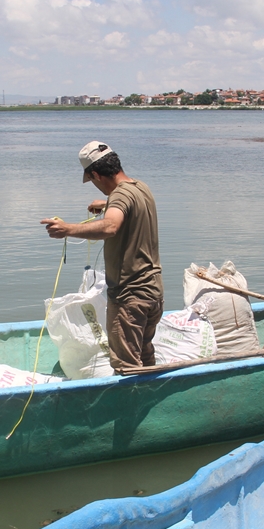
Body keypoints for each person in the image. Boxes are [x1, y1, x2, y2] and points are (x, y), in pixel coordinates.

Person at [42, 141, 163, 370]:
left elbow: (110, 227)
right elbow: (127, 206)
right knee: (145, 355)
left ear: (96, 174)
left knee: (126, 365)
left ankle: (129, 405)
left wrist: (68, 229)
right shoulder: (141, 188)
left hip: (130, 297)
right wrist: (107, 204)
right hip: (153, 292)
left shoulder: (119, 196)